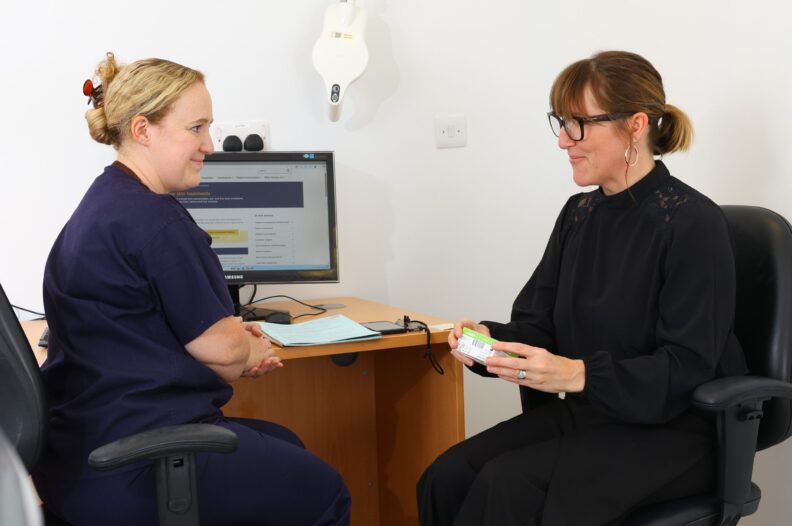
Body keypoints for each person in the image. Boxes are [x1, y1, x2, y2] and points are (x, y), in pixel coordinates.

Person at [417, 50, 748, 526]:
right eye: (561, 123)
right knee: (445, 476)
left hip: (672, 431)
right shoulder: (579, 215)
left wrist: (578, 375)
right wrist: (491, 343)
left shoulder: (694, 225)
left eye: (579, 125)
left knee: (506, 486)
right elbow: (539, 325)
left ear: (635, 125)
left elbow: (687, 367)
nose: (564, 142)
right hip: (592, 413)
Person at [32, 52, 351, 526]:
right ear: (143, 130)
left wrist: (238, 347)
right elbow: (222, 352)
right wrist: (247, 348)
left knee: (284, 445)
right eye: (196, 128)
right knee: (325, 492)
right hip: (136, 460)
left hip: (78, 459)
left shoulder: (102, 204)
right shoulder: (156, 221)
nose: (210, 144)